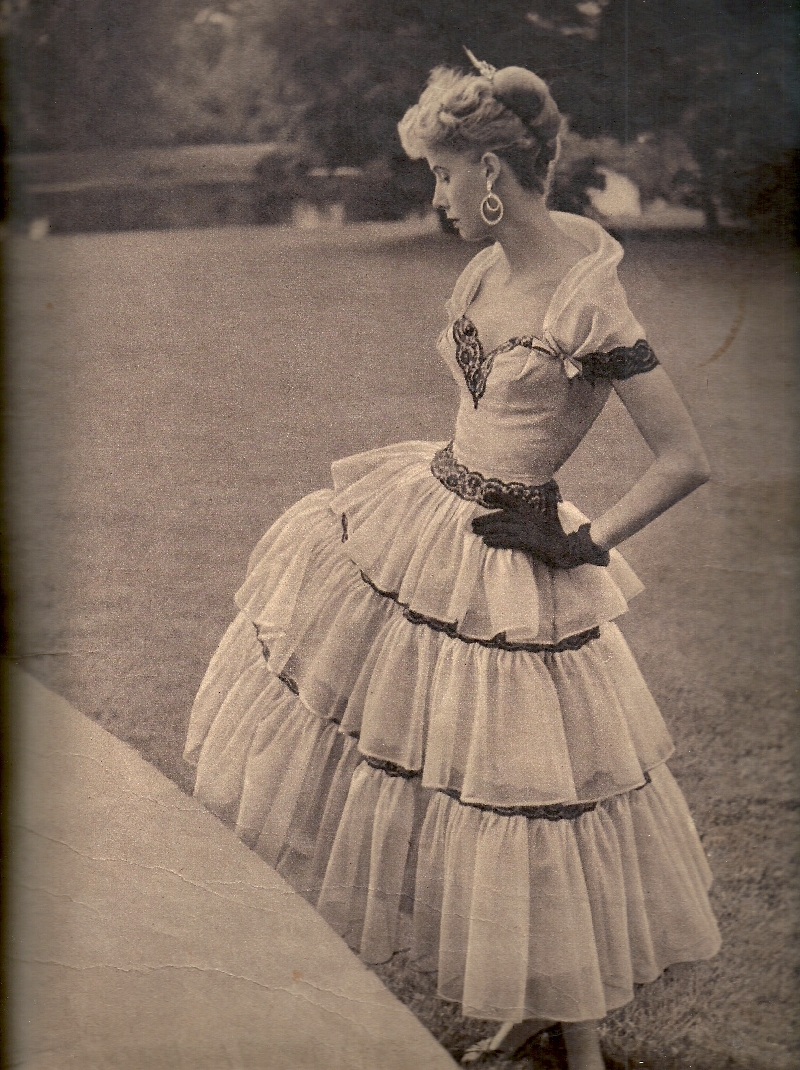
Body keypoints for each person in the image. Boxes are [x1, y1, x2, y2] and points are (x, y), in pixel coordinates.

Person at [184, 54, 721, 1070]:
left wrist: (583, 541)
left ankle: (578, 1041)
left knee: (531, 799)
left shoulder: (589, 302)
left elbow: (685, 457)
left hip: (515, 563)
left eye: (441, 173)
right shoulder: (482, 270)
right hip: (427, 524)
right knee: (455, 780)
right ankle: (534, 1010)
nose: (435, 195)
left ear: (490, 171)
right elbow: (478, 409)